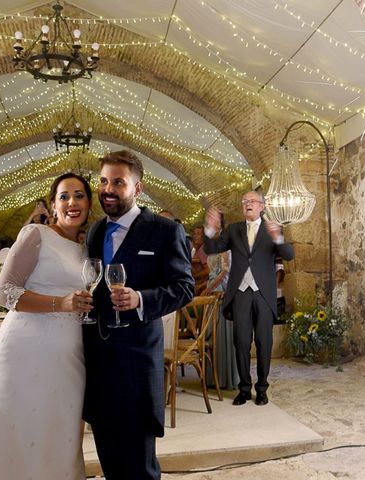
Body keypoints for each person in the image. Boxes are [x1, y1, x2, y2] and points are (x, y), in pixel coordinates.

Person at [83, 150, 194, 479]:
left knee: (139, 466)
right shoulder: (94, 232)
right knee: (109, 460)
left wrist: (141, 299)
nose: (108, 189)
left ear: (137, 188)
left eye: (118, 182)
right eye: (103, 181)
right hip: (99, 361)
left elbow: (184, 287)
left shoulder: (164, 230)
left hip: (136, 362)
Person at [0, 173, 94, 479]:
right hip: (25, 351)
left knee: (61, 433)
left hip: (69, 359)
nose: (72, 203)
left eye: (79, 195)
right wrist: (59, 303)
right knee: (18, 429)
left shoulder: (86, 250)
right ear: (53, 205)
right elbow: (4, 292)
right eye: (64, 197)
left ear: (89, 204)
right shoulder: (36, 235)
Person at [204, 190, 294, 406]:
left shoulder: (271, 228)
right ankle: (244, 389)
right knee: (241, 342)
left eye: (252, 201)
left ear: (262, 206)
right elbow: (211, 248)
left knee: (264, 343)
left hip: (264, 294)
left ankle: (262, 389)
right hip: (241, 293)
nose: (247, 204)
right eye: (244, 201)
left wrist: (278, 237)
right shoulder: (234, 229)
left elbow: (289, 255)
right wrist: (210, 229)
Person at [202, 214, 238, 390]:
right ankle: (212, 378)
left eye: (212, 219)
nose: (208, 221)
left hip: (221, 292)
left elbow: (225, 270)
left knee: (221, 334)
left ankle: (224, 378)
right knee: (211, 334)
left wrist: (211, 287)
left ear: (220, 223)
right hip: (212, 292)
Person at [191, 226, 210, 294]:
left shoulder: (202, 249)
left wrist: (194, 276)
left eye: (198, 234)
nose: (195, 236)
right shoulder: (198, 249)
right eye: (194, 234)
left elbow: (208, 270)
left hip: (201, 289)